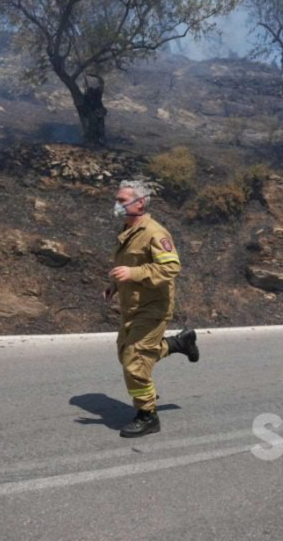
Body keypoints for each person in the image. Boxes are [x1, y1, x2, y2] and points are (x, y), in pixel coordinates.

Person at [105, 180, 198, 438]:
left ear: (140, 202)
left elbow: (171, 268)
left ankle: (148, 416)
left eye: (123, 200)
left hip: (153, 307)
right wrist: (114, 284)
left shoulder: (155, 233)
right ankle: (179, 343)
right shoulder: (129, 230)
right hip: (133, 305)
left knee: (134, 362)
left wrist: (132, 273)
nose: (118, 204)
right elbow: (127, 264)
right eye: (118, 199)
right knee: (127, 353)